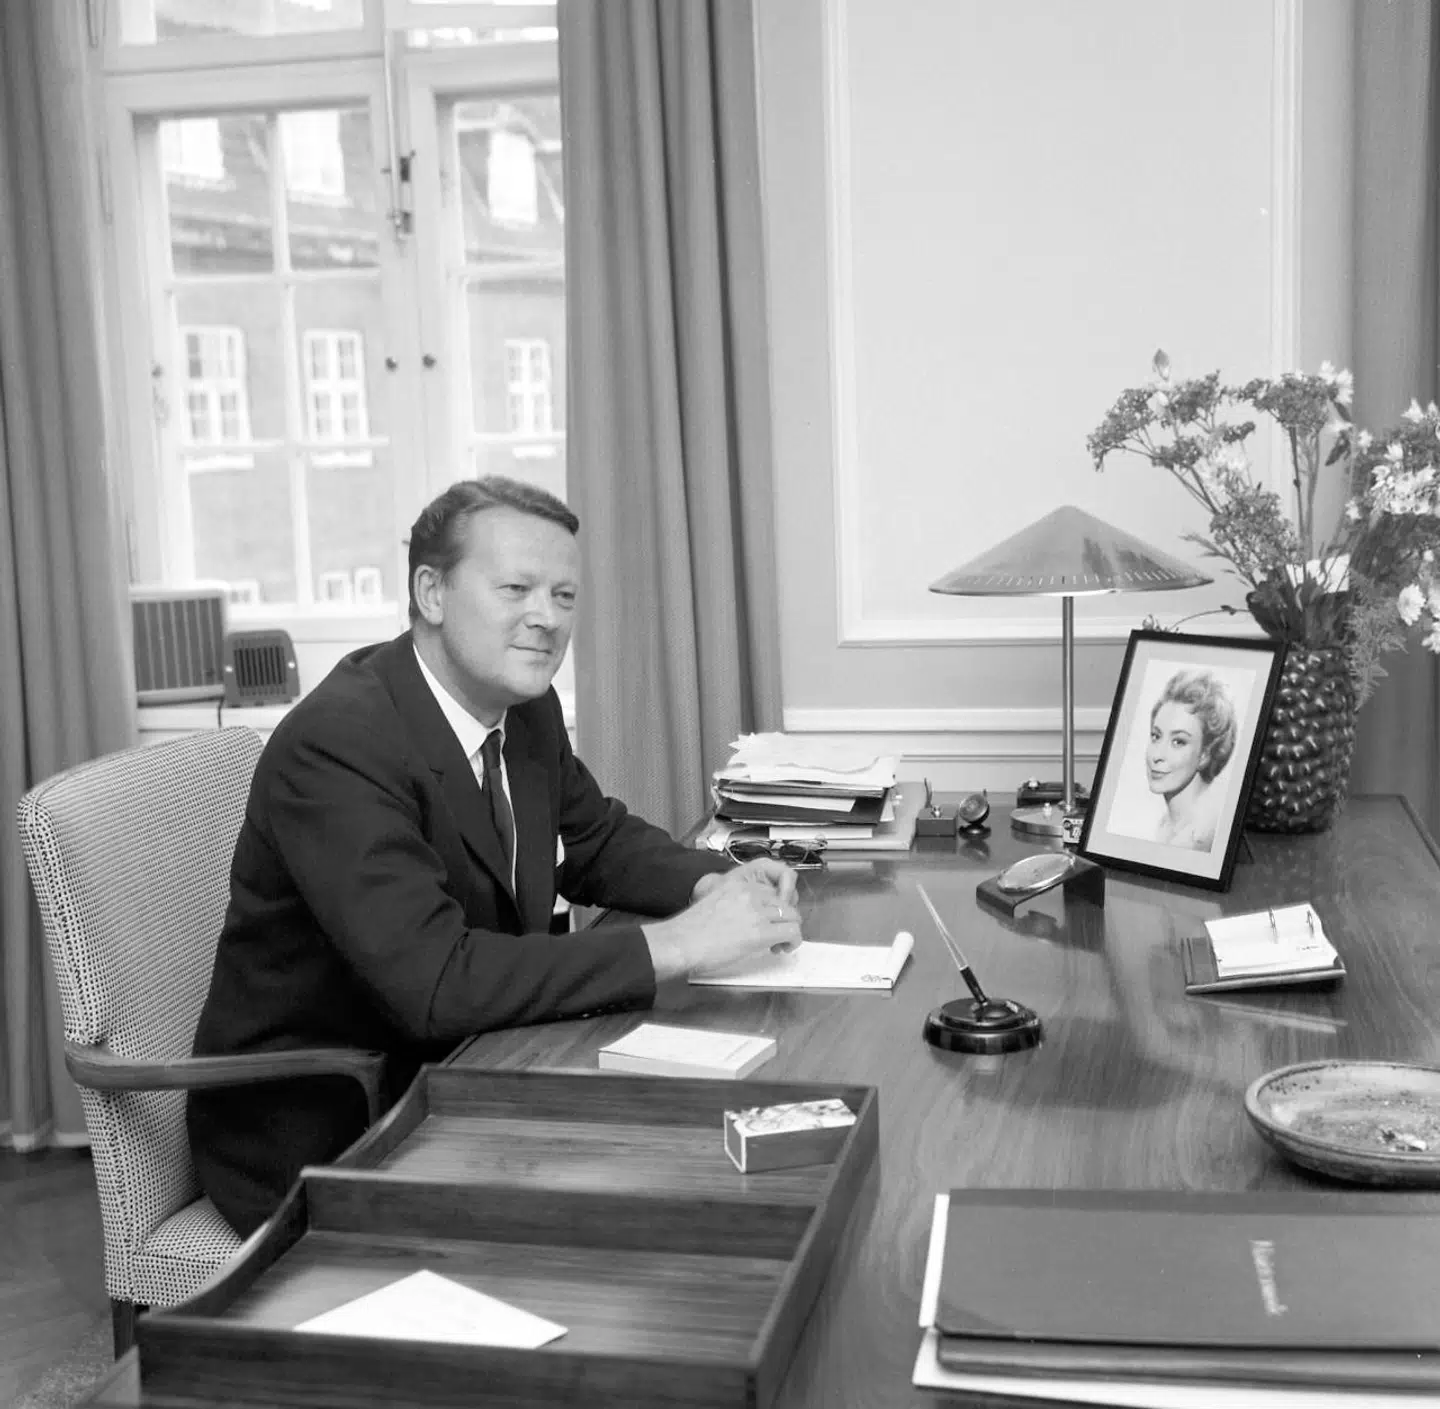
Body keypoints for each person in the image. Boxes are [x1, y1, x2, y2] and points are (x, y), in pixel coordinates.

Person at [188, 476, 802, 1237]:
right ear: (432, 592)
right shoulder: (340, 742)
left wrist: (713, 880)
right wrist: (678, 942)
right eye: (516, 587)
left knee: (715, 1167)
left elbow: (595, 838)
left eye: (565, 596)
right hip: (334, 1121)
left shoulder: (524, 707)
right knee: (648, 1209)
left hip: (477, 1065)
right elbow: (435, 982)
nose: (545, 618)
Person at [1144, 668, 1237, 851]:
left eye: (1178, 742)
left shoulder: (1202, 837)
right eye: (1156, 736)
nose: (1157, 756)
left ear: (1205, 755)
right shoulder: (1164, 827)